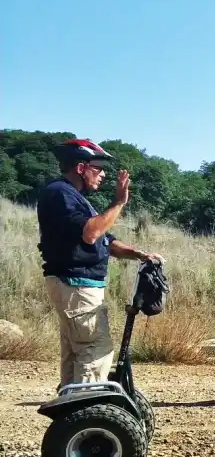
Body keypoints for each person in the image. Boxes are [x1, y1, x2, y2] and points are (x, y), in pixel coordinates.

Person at [36, 139, 164, 390]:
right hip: (76, 284)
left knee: (76, 352)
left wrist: (139, 254)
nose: (103, 174)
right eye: (99, 168)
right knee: (95, 349)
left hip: (75, 285)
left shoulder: (72, 196)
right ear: (81, 168)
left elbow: (105, 239)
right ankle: (88, 417)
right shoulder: (61, 193)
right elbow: (91, 233)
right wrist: (119, 203)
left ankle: (71, 412)